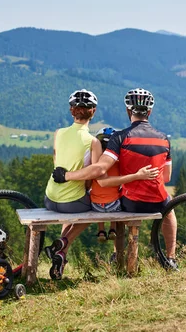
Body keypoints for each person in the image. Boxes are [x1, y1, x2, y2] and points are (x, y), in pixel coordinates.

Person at [53, 88, 178, 269]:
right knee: (170, 210)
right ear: (149, 112)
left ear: (128, 111)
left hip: (131, 202)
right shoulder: (164, 139)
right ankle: (170, 258)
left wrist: (67, 175)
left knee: (112, 204)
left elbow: (101, 169)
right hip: (158, 201)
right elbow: (166, 177)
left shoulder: (120, 137)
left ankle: (116, 258)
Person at [43, 89, 101, 280]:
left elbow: (55, 161)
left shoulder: (58, 133)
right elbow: (94, 173)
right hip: (72, 202)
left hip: (50, 198)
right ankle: (64, 242)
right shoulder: (93, 142)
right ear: (93, 112)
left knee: (71, 211)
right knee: (95, 211)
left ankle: (61, 254)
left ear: (71, 111)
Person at [90, 127, 159, 243]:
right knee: (119, 194)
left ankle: (101, 231)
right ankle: (113, 229)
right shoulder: (119, 164)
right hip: (114, 206)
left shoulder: (95, 166)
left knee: (94, 194)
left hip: (95, 206)